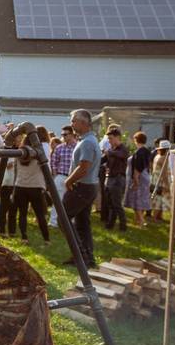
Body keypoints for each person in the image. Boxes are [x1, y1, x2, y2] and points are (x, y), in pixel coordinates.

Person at [63, 109, 101, 268]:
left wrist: (68, 181)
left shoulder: (87, 142)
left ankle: (81, 256)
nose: (71, 124)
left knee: (63, 218)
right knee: (82, 223)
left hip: (82, 187)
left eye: (73, 121)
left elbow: (84, 167)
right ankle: (87, 258)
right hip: (89, 186)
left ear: (83, 122)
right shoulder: (89, 140)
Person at [10, 129, 51, 245]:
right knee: (40, 214)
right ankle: (46, 239)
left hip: (20, 185)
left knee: (22, 213)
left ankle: (24, 237)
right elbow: (46, 167)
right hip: (35, 185)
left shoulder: (20, 151)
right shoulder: (39, 152)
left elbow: (16, 169)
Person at [49, 125, 77, 227]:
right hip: (61, 176)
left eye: (65, 134)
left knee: (72, 201)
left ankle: (71, 222)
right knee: (57, 200)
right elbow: (53, 162)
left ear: (72, 134)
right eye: (62, 135)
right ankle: (53, 222)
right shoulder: (59, 148)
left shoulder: (78, 147)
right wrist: (56, 175)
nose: (63, 136)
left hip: (74, 177)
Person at [102, 125, 129, 231]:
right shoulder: (111, 149)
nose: (109, 140)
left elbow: (121, 155)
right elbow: (102, 160)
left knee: (117, 204)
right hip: (109, 179)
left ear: (117, 137)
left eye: (111, 138)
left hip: (118, 179)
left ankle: (123, 225)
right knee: (110, 204)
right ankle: (110, 224)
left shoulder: (123, 148)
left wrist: (108, 153)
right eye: (108, 138)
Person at [123, 131, 152, 227]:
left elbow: (137, 168)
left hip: (139, 177)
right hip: (146, 176)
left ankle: (142, 221)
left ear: (136, 140)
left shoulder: (139, 152)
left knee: (137, 200)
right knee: (142, 198)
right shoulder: (147, 151)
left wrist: (135, 181)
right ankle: (137, 220)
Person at [150, 140, 172, 222]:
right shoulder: (164, 158)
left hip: (155, 179)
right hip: (161, 180)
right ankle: (155, 218)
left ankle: (159, 217)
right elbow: (164, 172)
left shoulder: (157, 156)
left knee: (158, 199)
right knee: (159, 200)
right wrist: (167, 184)